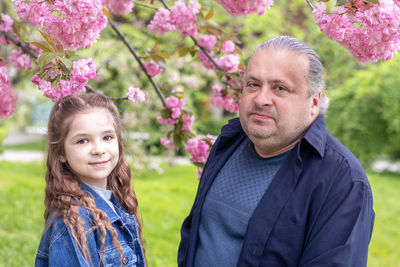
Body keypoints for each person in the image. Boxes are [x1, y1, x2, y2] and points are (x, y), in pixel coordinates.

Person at [178, 36, 374, 267]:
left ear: (314, 102)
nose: (261, 99)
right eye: (253, 84)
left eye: (280, 88)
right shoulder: (228, 143)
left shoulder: (343, 182)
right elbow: (197, 237)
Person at [35, 93, 146, 267]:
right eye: (83, 141)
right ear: (61, 153)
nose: (99, 149)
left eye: (107, 137)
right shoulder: (74, 222)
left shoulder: (113, 203)